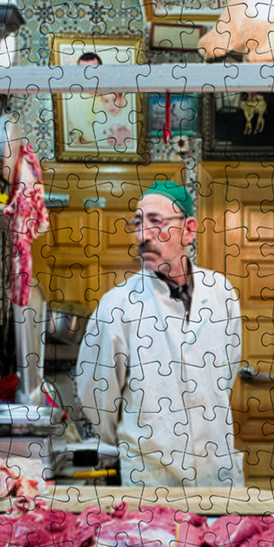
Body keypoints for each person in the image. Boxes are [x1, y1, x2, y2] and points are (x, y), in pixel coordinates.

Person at [75, 181, 245, 487]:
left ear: (188, 230)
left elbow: (226, 374)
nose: (142, 235)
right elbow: (97, 398)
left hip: (217, 470)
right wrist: (141, 439)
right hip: (151, 477)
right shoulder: (117, 305)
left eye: (156, 222)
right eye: (138, 223)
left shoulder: (222, 293)